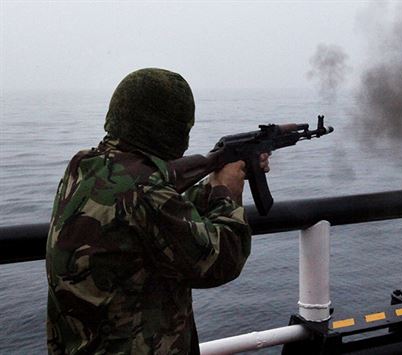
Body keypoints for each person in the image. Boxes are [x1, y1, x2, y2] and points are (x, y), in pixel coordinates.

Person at [45, 68, 268, 354]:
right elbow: (223, 259)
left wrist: (211, 184)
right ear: (173, 130)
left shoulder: (83, 166)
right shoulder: (146, 192)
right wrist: (226, 192)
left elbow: (156, 214)